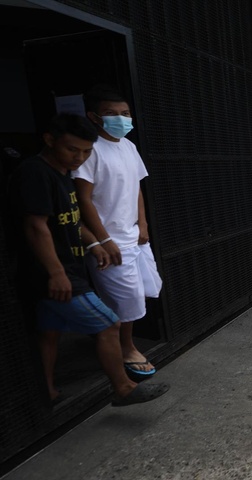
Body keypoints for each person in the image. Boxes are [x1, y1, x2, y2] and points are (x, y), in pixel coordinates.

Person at [10, 113, 169, 406]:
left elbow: (70, 221)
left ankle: (47, 394)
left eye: (85, 151)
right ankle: (123, 388)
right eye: (72, 149)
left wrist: (95, 244)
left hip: (67, 269)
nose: (79, 157)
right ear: (49, 140)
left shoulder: (63, 175)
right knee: (109, 324)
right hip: (53, 275)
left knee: (49, 334)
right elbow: (36, 226)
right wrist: (56, 273)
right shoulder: (35, 172)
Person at [74, 86, 163, 382]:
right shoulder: (90, 149)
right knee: (127, 299)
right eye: (111, 114)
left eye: (125, 114)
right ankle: (126, 348)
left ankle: (115, 339)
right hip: (106, 240)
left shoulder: (128, 146)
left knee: (145, 290)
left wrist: (143, 224)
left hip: (132, 234)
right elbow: (83, 198)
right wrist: (103, 239)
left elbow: (136, 187)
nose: (120, 119)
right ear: (94, 117)